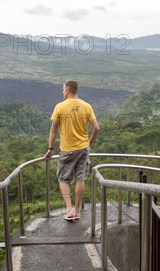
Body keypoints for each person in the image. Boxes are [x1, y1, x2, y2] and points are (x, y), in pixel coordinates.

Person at [45, 80, 100, 221]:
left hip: (67, 149)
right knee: (80, 178)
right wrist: (89, 143)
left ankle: (69, 209)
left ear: (68, 90)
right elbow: (96, 128)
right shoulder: (86, 106)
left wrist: (50, 149)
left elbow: (53, 130)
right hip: (83, 149)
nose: (62, 92)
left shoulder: (60, 107)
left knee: (63, 179)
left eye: (63, 89)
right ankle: (77, 211)